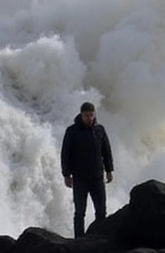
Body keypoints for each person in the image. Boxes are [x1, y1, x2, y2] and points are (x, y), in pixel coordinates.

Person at [60, 101, 114, 237]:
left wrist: (109, 170)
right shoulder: (72, 131)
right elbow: (65, 154)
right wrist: (66, 175)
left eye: (91, 115)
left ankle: (100, 237)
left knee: (101, 211)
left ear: (94, 114)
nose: (89, 118)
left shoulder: (99, 130)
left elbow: (106, 151)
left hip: (97, 177)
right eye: (86, 115)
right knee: (79, 212)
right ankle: (79, 239)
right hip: (80, 178)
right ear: (81, 115)